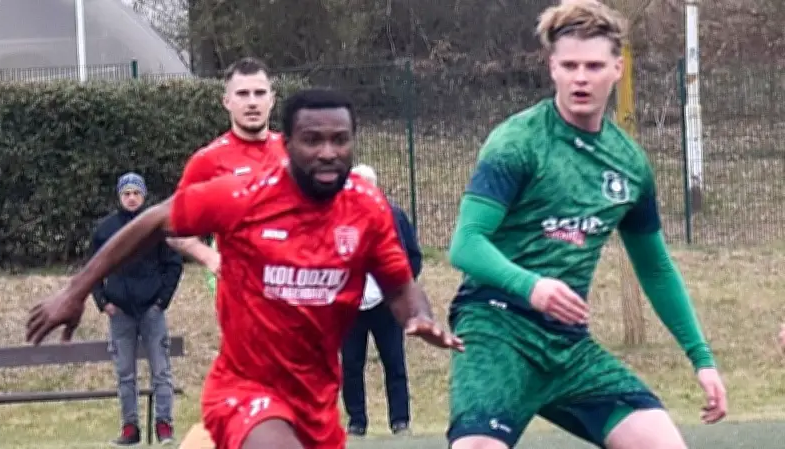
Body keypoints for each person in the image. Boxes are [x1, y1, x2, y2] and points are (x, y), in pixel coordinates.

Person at [26, 88, 464, 449]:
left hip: (316, 403)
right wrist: (77, 290)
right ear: (286, 144)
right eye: (313, 140)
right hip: (244, 389)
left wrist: (419, 316)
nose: (328, 152)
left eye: (340, 140)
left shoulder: (368, 209)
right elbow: (155, 220)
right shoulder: (243, 196)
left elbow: (400, 284)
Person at [444, 1, 727, 449]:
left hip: (566, 347)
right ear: (551, 68)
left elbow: (655, 268)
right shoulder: (517, 142)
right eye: (570, 65)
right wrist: (532, 286)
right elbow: (465, 245)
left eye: (594, 65)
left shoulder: (629, 165)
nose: (581, 77)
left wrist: (702, 358)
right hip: (495, 329)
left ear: (617, 69)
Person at [165, 56, 286, 290]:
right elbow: (171, 227)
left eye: (260, 93)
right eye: (242, 94)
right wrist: (210, 257)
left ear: (272, 100)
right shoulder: (208, 160)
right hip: (242, 298)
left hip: (296, 294)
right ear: (227, 101)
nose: (252, 102)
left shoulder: (293, 152)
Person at [91, 172, 183, 446]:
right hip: (120, 311)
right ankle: (130, 428)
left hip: (151, 311)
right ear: (119, 196)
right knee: (125, 374)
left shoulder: (157, 226)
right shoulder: (105, 229)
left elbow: (173, 265)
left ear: (143, 195)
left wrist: (160, 302)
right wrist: (103, 302)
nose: (131, 198)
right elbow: (93, 268)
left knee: (161, 371)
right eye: (126, 193)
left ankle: (164, 426)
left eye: (136, 193)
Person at [340, 164, 422, 437]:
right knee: (351, 365)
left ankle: (400, 421)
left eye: (366, 186)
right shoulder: (338, 218)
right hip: (350, 306)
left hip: (385, 305)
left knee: (394, 362)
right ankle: (356, 422)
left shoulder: (394, 215)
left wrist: (399, 288)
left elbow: (413, 255)